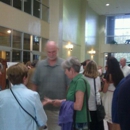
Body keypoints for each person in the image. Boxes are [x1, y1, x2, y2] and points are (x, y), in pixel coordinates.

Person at [43, 57, 91, 130]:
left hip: (78, 121)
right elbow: (71, 100)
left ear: (71, 70)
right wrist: (54, 101)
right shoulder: (74, 81)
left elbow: (78, 106)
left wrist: (62, 103)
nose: (65, 73)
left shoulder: (80, 82)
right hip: (74, 119)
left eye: (65, 70)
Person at [32, 41, 70, 130]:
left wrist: (66, 103)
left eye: (54, 51)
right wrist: (34, 103)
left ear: (58, 50)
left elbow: (69, 86)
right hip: (42, 108)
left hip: (58, 109)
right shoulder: (40, 65)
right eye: (49, 52)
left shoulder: (64, 64)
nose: (51, 54)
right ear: (45, 51)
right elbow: (35, 85)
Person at [0, 63, 47, 130]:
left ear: (10, 79)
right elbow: (42, 121)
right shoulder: (33, 96)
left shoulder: (1, 95)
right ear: (24, 78)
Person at [102, 57, 124, 130]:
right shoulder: (120, 73)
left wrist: (104, 82)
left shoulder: (109, 75)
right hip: (117, 95)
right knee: (115, 118)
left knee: (109, 118)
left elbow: (105, 90)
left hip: (109, 97)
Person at [83, 60, 104, 130]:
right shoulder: (97, 78)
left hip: (86, 104)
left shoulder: (83, 78)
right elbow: (99, 89)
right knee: (95, 125)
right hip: (95, 104)